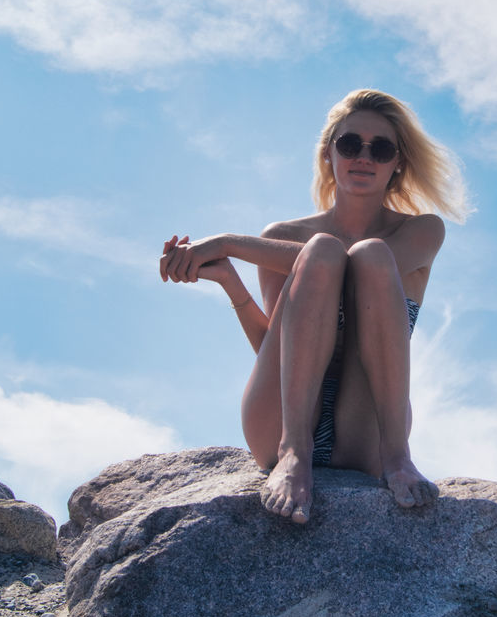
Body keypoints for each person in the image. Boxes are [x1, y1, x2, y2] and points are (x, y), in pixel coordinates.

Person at [159, 89, 468, 524]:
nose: (363, 157)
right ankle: (294, 455)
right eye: (349, 144)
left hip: (366, 432)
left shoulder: (422, 231)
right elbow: (275, 345)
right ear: (329, 153)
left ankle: (399, 458)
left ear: (398, 162)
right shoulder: (284, 233)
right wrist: (232, 282)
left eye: (380, 148)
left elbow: (353, 264)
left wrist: (229, 242)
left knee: (366, 256)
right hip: (282, 421)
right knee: (321, 250)